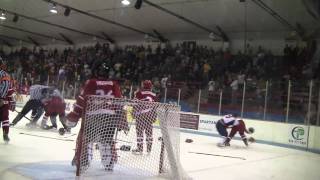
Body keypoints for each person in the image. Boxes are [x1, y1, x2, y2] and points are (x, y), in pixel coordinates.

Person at [65, 61, 127, 172]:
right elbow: (119, 102)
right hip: (109, 117)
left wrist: (75, 114)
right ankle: (109, 164)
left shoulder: (91, 82)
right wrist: (121, 118)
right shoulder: (114, 84)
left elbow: (83, 99)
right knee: (106, 140)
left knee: (86, 139)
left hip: (92, 116)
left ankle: (83, 162)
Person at [132, 80, 158, 155]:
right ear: (150, 86)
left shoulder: (139, 93)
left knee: (139, 133)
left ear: (143, 85)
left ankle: (140, 150)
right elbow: (155, 107)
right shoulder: (154, 94)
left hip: (140, 116)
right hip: (149, 116)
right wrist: (154, 116)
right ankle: (149, 150)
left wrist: (134, 113)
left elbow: (135, 104)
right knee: (149, 134)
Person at [0, 57, 13, 142]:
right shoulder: (5, 74)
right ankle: (6, 134)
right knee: (5, 118)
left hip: (2, 100)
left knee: (4, 117)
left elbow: (5, 87)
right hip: (3, 100)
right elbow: (9, 89)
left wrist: (1, 98)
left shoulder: (3, 74)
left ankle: (5, 134)